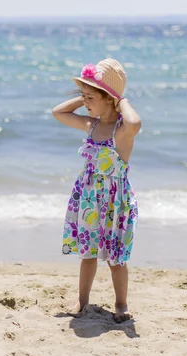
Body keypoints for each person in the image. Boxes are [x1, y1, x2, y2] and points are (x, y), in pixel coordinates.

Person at [51, 58, 141, 323]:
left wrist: (120, 99)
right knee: (88, 253)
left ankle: (121, 303)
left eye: (91, 97)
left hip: (115, 201)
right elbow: (59, 113)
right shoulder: (91, 125)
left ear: (110, 98)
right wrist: (85, 98)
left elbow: (135, 123)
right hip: (89, 198)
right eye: (84, 96)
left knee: (116, 257)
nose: (86, 101)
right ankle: (82, 300)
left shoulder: (121, 130)